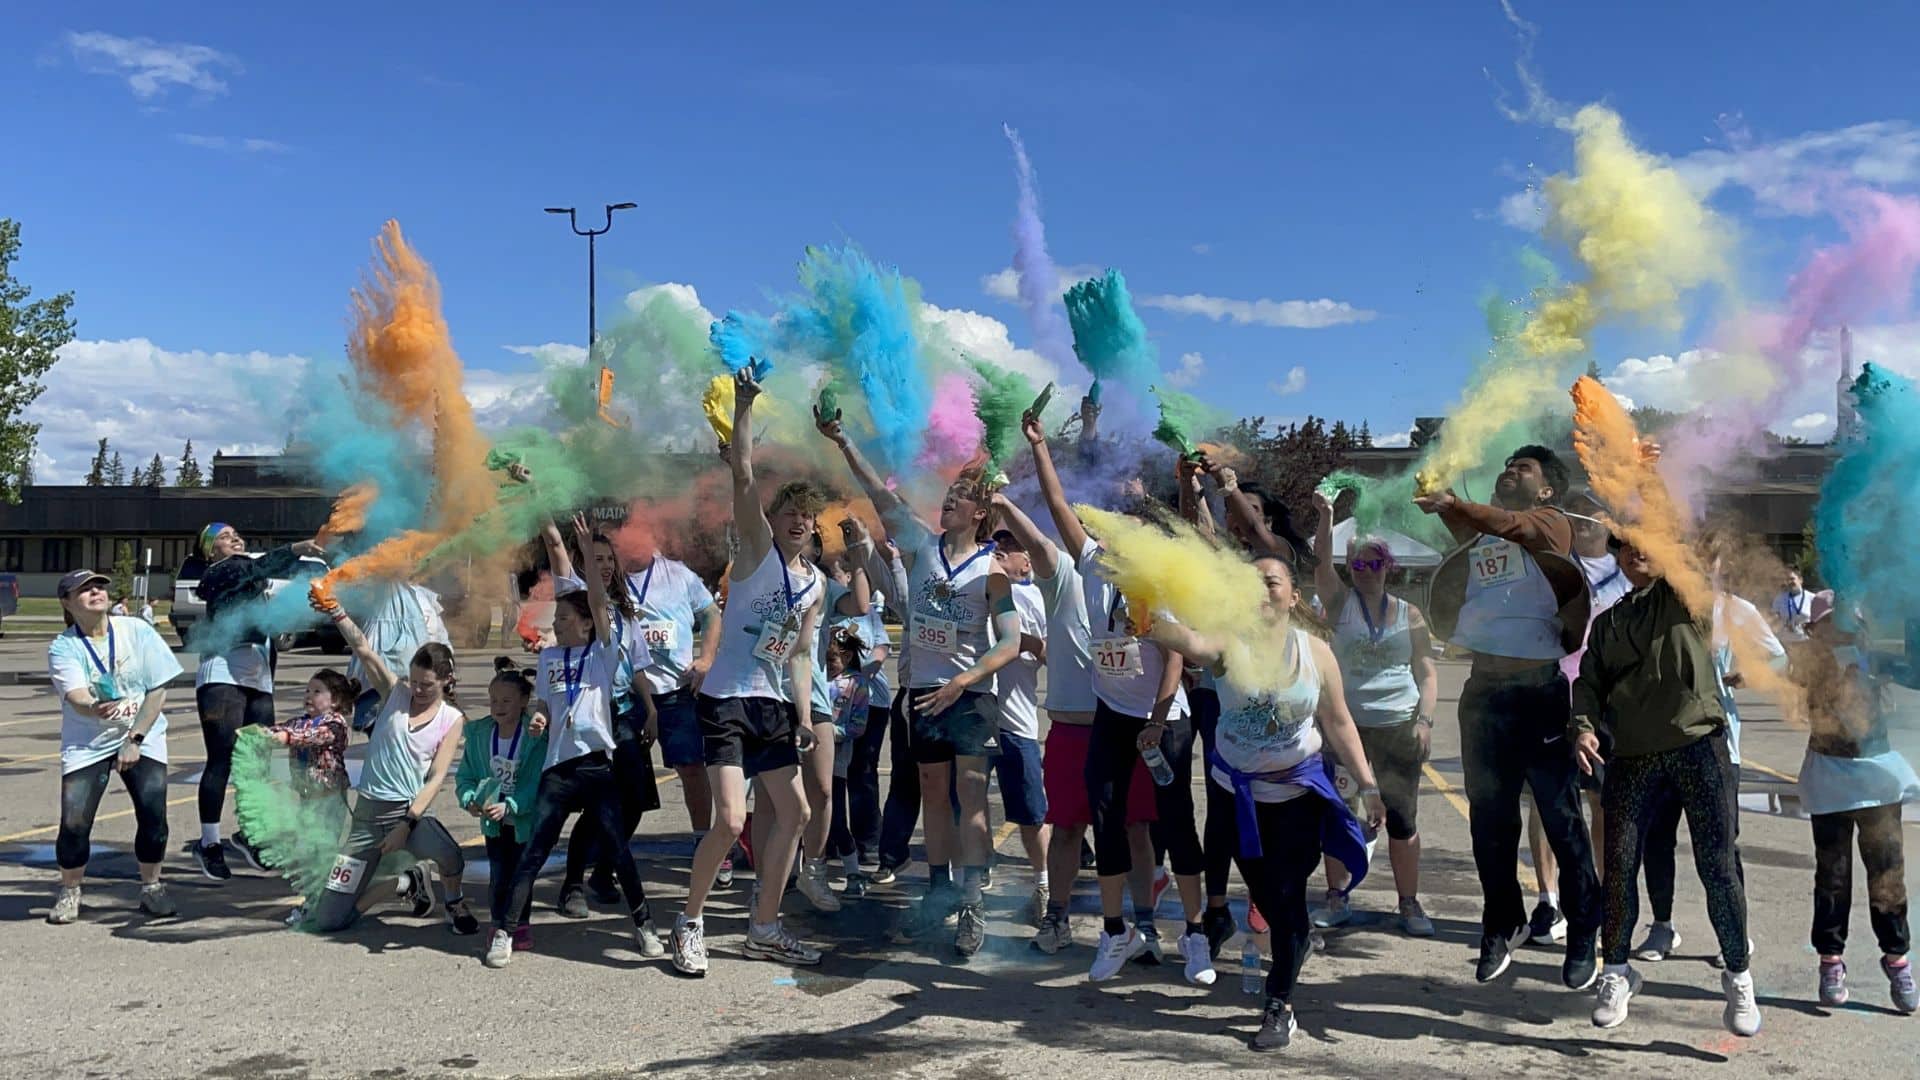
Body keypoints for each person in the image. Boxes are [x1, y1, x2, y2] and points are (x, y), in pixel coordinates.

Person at [1146, 555, 1385, 1051]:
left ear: (1292, 596)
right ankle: (1292, 944)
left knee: (1288, 895)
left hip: (1297, 796)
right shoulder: (1227, 645)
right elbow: (1187, 641)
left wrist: (1368, 785)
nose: (1260, 590)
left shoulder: (1315, 651)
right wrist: (1146, 607)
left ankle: (1280, 1003)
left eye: (1271, 582)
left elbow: (1339, 721)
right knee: (1268, 898)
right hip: (1238, 798)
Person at [816, 399, 1024, 961]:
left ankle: (974, 899)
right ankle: (939, 891)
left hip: (971, 699)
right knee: (933, 794)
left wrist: (965, 681)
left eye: (959, 500)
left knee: (973, 798)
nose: (948, 502)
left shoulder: (993, 571)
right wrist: (841, 441)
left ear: (979, 515)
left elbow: (1010, 642)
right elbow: (881, 496)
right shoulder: (920, 547)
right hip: (922, 696)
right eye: (949, 496)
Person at [1020, 410, 1213, 986]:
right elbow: (1059, 510)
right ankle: (1113, 932)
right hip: (1113, 715)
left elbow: (1176, 658)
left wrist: (1157, 719)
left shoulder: (1160, 585)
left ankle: (1196, 934)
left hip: (1163, 718)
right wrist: (1038, 447)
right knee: (1103, 817)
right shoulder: (1096, 568)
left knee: (1176, 824)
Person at [1415, 445, 1600, 988]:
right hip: (1484, 693)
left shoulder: (1551, 525)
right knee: (1489, 821)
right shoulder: (1485, 539)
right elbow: (1474, 523)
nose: (1508, 471)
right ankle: (1503, 920)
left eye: (1523, 468)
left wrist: (1454, 502)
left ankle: (1584, 926)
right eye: (1506, 464)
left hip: (1539, 692)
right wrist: (1441, 496)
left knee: (1562, 821)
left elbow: (1512, 524)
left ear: (1547, 490)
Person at [1570, 537, 1759, 1036]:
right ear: (1616, 558)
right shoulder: (1608, 622)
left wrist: (1645, 477)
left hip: (1698, 747)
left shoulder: (1684, 598)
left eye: (1645, 545)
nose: (1636, 555)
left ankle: (1739, 977)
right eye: (1625, 550)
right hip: (1632, 757)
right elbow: (1588, 682)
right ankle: (1615, 972)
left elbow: (1680, 551)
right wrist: (1584, 726)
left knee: (1717, 866)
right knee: (1618, 866)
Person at [672, 369, 826, 976]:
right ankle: (690, 921)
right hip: (725, 699)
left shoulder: (815, 584)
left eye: (805, 516)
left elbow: (801, 654)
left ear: (815, 526)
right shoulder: (756, 550)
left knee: (797, 814)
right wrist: (742, 404)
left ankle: (764, 927)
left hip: (771, 706)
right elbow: (741, 471)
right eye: (788, 511)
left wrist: (805, 716)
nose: (796, 521)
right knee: (732, 819)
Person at [487, 512, 663, 969]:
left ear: (585, 624)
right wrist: (539, 719)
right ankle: (505, 932)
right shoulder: (548, 659)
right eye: (558, 617)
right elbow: (543, 703)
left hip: (595, 765)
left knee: (618, 848)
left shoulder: (602, 650)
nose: (558, 622)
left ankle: (644, 926)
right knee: (534, 849)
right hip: (557, 768)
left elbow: (601, 604)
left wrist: (587, 554)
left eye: (565, 617)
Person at [990, 493, 1163, 957]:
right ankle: (1057, 917)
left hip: (1126, 727)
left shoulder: (1142, 589)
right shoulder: (1064, 572)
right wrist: (1005, 504)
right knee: (1066, 828)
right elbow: (1040, 541)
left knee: (1136, 829)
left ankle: (1144, 924)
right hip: (1072, 728)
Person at [1634, 561, 1785, 966]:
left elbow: (1777, 659)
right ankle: (1662, 926)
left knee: (1719, 849)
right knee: (1657, 839)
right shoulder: (1653, 605)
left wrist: (1748, 674)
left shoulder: (1736, 610)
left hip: (1718, 747)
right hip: (1658, 743)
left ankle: (1734, 934)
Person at [1310, 492, 1439, 937]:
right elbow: (1321, 564)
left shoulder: (1411, 614)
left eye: (1375, 563)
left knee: (1403, 820)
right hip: (1348, 730)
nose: (1367, 572)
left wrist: (1424, 720)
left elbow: (1426, 672)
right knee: (1341, 816)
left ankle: (1409, 903)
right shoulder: (1341, 604)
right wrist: (1326, 516)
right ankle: (1336, 896)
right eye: (1359, 565)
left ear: (1388, 566)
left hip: (1398, 728)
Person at [307, 600, 471, 936]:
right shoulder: (396, 692)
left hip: (406, 815)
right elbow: (363, 649)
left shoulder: (451, 719)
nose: (419, 690)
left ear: (446, 680)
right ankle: (404, 883)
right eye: (415, 681)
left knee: (451, 857)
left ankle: (455, 902)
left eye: (428, 684)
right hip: (366, 819)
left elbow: (437, 777)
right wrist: (337, 610)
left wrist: (407, 825)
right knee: (328, 921)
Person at [1798, 609, 1919, 1014]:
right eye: (1830, 621)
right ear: (1818, 628)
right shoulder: (1810, 662)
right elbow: (1767, 666)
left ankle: (1897, 959)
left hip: (1876, 780)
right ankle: (1830, 962)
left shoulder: (1873, 659)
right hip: (1830, 778)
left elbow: (1917, 674)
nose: (1842, 629)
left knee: (1887, 873)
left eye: (1848, 621)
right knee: (1832, 876)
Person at [46, 569, 183, 924]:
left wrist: (134, 739)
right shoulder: (64, 646)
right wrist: (92, 707)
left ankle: (152, 888)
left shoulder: (136, 630)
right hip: (87, 741)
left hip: (143, 734)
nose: (96, 592)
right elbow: (75, 695)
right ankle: (70, 891)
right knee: (75, 821)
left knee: (154, 814)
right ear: (67, 602)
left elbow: (157, 689)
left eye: (99, 587)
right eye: (84, 589)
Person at [191, 522, 325, 881]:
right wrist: (299, 545)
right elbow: (256, 567)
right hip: (223, 672)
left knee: (259, 762)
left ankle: (249, 833)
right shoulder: (220, 572)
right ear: (210, 551)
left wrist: (331, 562)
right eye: (223, 536)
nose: (234, 538)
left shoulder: (252, 575)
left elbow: (286, 574)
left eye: (236, 534)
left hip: (257, 675)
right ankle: (209, 843)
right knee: (222, 759)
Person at [546, 527, 664, 917]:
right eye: (596, 559)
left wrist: (650, 708)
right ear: (582, 562)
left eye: (609, 559)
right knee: (597, 803)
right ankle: (573, 884)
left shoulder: (624, 608)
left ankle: (604, 871)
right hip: (591, 713)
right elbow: (553, 541)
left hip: (626, 711)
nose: (606, 566)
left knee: (633, 801)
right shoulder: (579, 595)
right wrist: (534, 495)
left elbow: (638, 664)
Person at [1525, 489, 1619, 943]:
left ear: (1609, 520)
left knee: (1603, 804)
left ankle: (1599, 894)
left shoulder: (1628, 571)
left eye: (1591, 512)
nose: (1582, 521)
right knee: (1548, 803)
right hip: (1552, 694)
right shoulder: (1555, 568)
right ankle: (1548, 901)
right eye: (1575, 512)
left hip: (1607, 703)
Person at [794, 523, 875, 913]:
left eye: (810, 534)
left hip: (815, 695)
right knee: (779, 799)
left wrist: (858, 551)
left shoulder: (823, 584)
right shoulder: (764, 574)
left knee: (824, 791)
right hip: (773, 692)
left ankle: (814, 868)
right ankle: (766, 882)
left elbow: (860, 605)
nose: (803, 537)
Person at [455, 659, 549, 954]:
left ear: (524, 701)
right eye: (494, 700)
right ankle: (498, 923)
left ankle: (519, 925)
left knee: (522, 874)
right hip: (492, 821)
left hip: (523, 819)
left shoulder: (535, 737)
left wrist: (511, 805)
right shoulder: (479, 734)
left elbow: (536, 782)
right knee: (499, 873)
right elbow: (466, 776)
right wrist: (470, 799)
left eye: (507, 700)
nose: (498, 706)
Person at [989, 529, 1054, 927]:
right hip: (975, 718)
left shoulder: (1032, 597)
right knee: (969, 808)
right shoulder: (976, 590)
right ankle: (973, 883)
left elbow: (1049, 652)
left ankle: (1043, 886)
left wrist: (1018, 640)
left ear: (1024, 561)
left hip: (1017, 721)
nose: (996, 557)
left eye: (1004, 552)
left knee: (1032, 812)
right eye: (992, 551)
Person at [264, 668, 355, 924]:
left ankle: (318, 904)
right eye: (307, 690)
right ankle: (316, 901)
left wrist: (286, 737)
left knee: (322, 850)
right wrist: (262, 735)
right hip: (307, 800)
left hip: (329, 800)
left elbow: (313, 737)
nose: (309, 695)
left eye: (317, 691)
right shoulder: (299, 722)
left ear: (334, 700)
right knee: (308, 851)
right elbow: (281, 729)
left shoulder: (335, 725)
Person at [1771, 571, 1813, 642]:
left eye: (1792, 579)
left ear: (1800, 580)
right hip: (1783, 641)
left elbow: (1821, 618)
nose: (1790, 582)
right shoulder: (1780, 598)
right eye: (1787, 580)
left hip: (1804, 642)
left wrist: (1812, 627)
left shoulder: (1812, 598)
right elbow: (1773, 616)